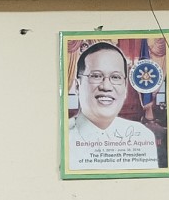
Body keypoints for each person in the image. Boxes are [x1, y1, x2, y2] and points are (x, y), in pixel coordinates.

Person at [66, 42, 160, 172]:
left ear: (125, 87)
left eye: (115, 77)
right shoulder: (61, 139)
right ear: (77, 86)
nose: (106, 86)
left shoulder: (143, 136)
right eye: (96, 76)